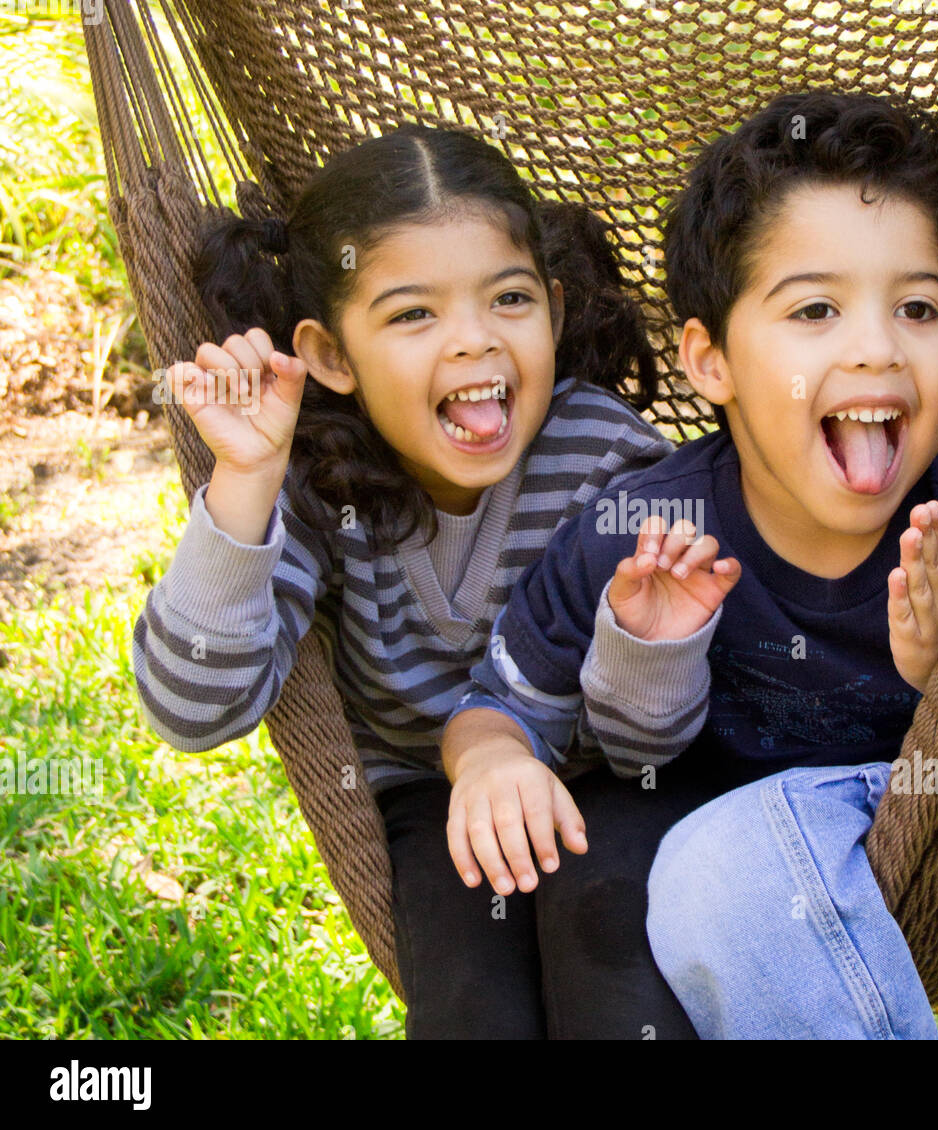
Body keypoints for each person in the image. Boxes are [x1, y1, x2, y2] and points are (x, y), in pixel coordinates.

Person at [442, 89, 938, 1038]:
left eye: (919, 306)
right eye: (816, 309)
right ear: (711, 363)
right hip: (706, 859)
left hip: (918, 830)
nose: (876, 348)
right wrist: (496, 760)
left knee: (726, 860)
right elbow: (492, 707)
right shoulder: (647, 531)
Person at [131, 122, 676, 1039]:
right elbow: (192, 711)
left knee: (616, 967)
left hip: (609, 777)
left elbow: (667, 719)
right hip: (430, 795)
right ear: (333, 355)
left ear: (550, 306)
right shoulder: (313, 488)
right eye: (413, 313)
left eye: (509, 298)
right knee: (473, 1010)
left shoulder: (608, 459)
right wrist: (246, 479)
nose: (472, 342)